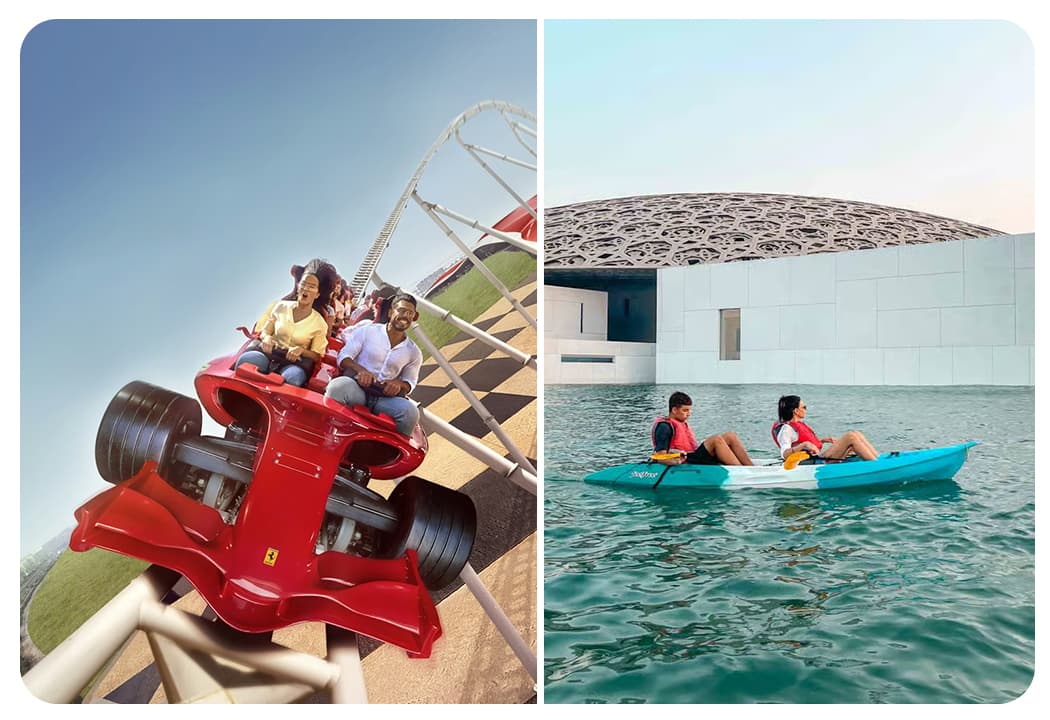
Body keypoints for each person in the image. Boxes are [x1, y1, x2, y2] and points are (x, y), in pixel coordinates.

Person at [324, 292, 423, 436]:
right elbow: (344, 357)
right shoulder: (367, 331)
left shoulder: (414, 352)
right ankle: (331, 434)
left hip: (384, 399)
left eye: (410, 313)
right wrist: (360, 370)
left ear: (414, 317)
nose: (405, 316)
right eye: (401, 310)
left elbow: (409, 383)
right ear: (390, 312)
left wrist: (398, 384)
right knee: (337, 387)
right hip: (358, 388)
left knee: (410, 413)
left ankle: (385, 454)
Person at [236, 261, 335, 387]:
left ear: (318, 294)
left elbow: (316, 355)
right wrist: (267, 338)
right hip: (268, 353)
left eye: (311, 286)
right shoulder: (280, 306)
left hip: (293, 363)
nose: (305, 289)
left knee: (292, 379)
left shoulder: (320, 322)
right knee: (248, 361)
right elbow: (265, 331)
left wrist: (301, 351)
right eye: (303, 284)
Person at [652, 391, 754, 466]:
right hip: (686, 460)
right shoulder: (664, 427)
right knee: (715, 440)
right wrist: (674, 460)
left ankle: (751, 467)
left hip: (693, 456)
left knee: (730, 436)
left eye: (689, 410)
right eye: (685, 410)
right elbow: (660, 456)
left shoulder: (680, 423)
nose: (689, 414)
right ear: (674, 410)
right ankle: (741, 471)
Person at [773, 395, 879, 461]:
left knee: (856, 434)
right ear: (796, 411)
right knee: (850, 436)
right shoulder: (786, 429)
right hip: (815, 462)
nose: (805, 409)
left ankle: (878, 459)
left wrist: (822, 440)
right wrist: (803, 445)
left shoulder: (799, 425)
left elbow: (804, 442)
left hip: (818, 457)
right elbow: (784, 454)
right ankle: (876, 466)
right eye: (804, 407)